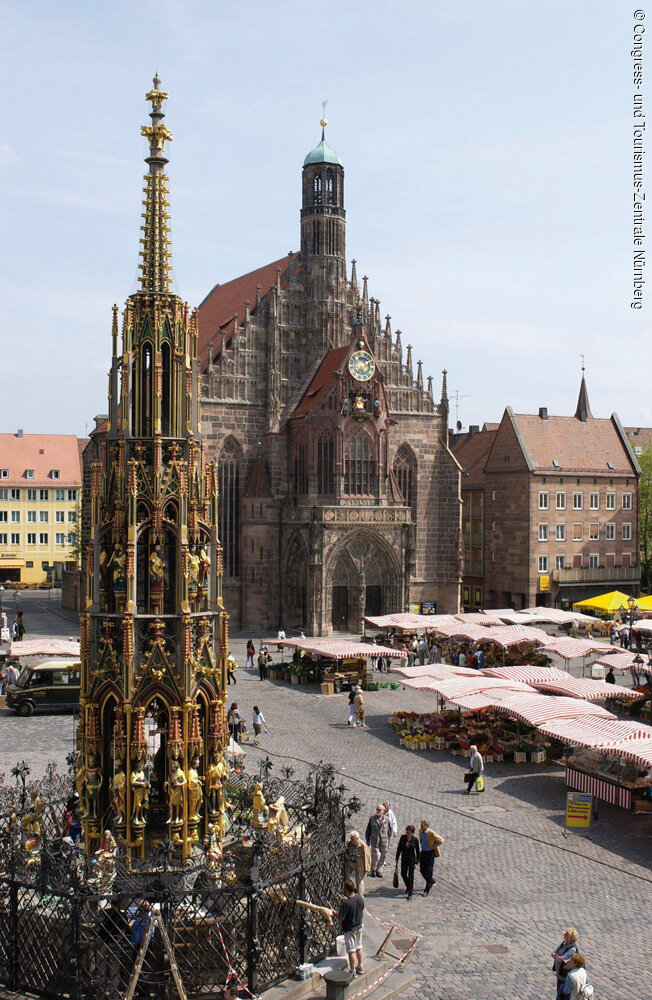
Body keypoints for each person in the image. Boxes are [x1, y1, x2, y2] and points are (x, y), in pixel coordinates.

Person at [331, 879, 364, 979]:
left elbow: (341, 918)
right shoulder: (359, 898)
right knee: (359, 947)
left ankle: (353, 971)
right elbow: (359, 907)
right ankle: (360, 966)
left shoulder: (346, 904)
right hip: (359, 926)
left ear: (346, 890)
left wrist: (333, 910)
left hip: (350, 928)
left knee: (351, 951)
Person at [551, 928, 579, 1000]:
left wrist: (556, 956)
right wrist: (556, 956)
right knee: (559, 991)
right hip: (559, 973)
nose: (564, 936)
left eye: (566, 935)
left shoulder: (572, 949)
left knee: (564, 994)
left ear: (570, 938)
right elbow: (554, 953)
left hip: (565, 976)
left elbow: (560, 960)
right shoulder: (563, 944)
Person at [418, 819, 444, 895]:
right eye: (421, 824)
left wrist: (432, 847)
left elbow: (441, 840)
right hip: (423, 852)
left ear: (426, 826)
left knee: (429, 870)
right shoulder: (420, 831)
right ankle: (431, 881)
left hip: (430, 853)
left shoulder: (431, 833)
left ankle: (427, 888)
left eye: (422, 825)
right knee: (422, 870)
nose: (421, 826)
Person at [394, 824, 420, 899]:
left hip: (411, 860)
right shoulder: (403, 838)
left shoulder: (415, 840)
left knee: (411, 876)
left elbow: (418, 852)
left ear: (412, 833)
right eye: (406, 832)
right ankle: (408, 886)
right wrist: (397, 858)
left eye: (409, 833)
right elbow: (399, 848)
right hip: (404, 858)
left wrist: (416, 862)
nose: (407, 834)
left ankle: (410, 893)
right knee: (403, 873)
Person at [365, 804, 390, 877]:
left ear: (384, 811)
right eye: (377, 809)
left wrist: (388, 837)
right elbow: (368, 830)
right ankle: (373, 869)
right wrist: (367, 839)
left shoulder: (387, 819)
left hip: (384, 840)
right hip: (375, 840)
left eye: (379, 810)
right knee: (375, 855)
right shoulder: (372, 819)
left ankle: (379, 870)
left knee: (383, 854)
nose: (378, 811)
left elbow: (389, 829)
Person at [345, 830, 371, 897]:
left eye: (353, 839)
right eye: (351, 838)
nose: (351, 840)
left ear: (357, 838)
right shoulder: (349, 842)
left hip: (359, 865)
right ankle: (352, 888)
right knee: (346, 875)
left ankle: (360, 897)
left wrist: (367, 869)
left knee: (359, 881)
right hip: (350, 862)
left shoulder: (363, 845)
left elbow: (367, 857)